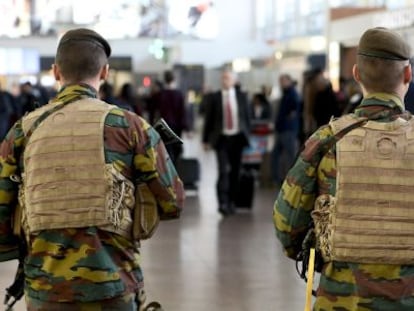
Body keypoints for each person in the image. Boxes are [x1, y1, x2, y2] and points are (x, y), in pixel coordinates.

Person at [0, 28, 184, 311]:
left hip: (45, 293)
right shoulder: (132, 127)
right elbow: (173, 202)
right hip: (115, 289)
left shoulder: (22, 132)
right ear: (105, 72)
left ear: (56, 72)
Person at [273, 27, 414, 310]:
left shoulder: (327, 140)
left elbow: (287, 226)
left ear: (357, 74)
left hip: (342, 300)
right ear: (408, 74)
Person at [202, 68, 250, 216]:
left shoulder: (242, 96)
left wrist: (248, 135)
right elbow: (208, 120)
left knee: (235, 171)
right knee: (223, 171)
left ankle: (232, 202)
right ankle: (222, 202)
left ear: (234, 80)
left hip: (237, 138)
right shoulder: (214, 97)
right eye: (223, 78)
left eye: (228, 78)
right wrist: (205, 140)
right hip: (221, 139)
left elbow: (247, 117)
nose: (225, 81)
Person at [148, 70, 187, 165]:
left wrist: (151, 124)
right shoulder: (179, 94)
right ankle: (175, 171)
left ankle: (168, 172)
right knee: (176, 149)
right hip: (177, 127)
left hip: (163, 127)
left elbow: (152, 111)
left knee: (166, 150)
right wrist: (185, 127)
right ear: (174, 79)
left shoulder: (159, 94)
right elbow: (182, 113)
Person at [271, 74, 301, 187]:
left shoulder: (292, 94)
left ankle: (290, 181)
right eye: (280, 81)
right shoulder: (286, 93)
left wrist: (286, 119)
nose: (281, 83)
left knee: (289, 156)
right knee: (277, 155)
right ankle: (279, 179)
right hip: (282, 129)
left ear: (289, 81)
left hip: (288, 129)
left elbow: (293, 111)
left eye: (283, 81)